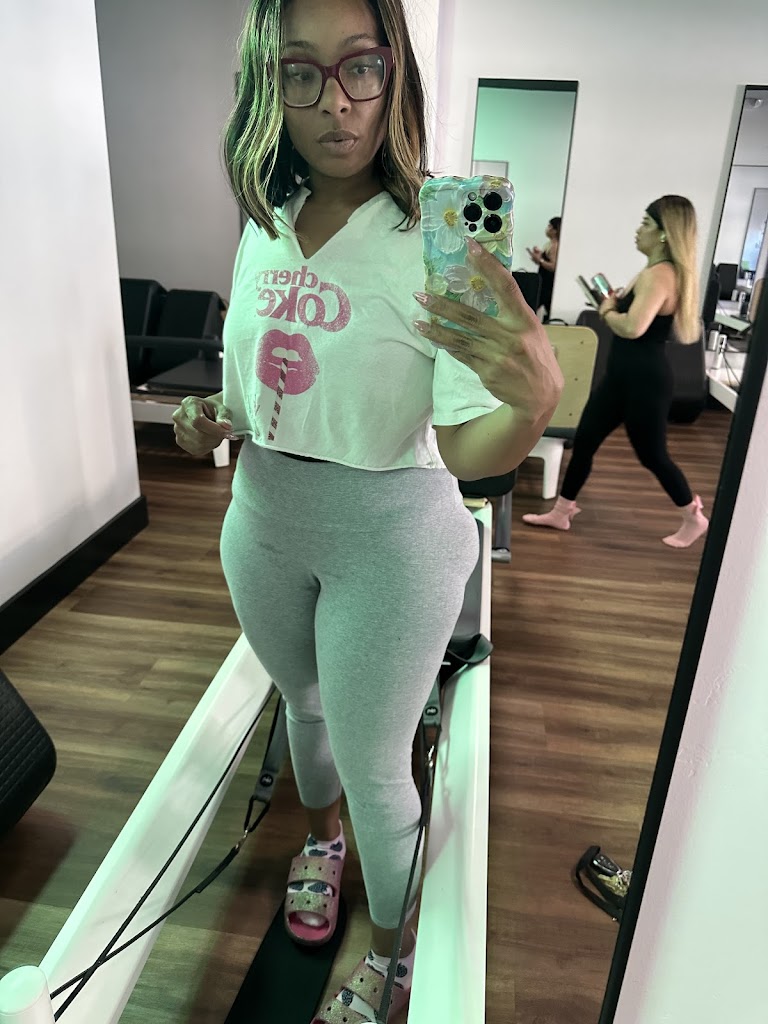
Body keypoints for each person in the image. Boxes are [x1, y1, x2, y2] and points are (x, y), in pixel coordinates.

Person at [172, 0, 562, 1021]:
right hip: (263, 518)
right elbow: (255, 394)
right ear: (271, 87)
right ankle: (321, 841)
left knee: (378, 760)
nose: (335, 103)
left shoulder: (450, 224)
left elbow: (469, 452)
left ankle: (390, 954)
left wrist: (531, 404)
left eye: (361, 66)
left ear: (396, 72)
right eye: (300, 73)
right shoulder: (266, 215)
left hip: (391, 535)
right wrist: (211, 421)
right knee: (301, 708)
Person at [522, 196, 710, 549]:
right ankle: (562, 512)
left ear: (665, 233)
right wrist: (617, 301)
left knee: (652, 455)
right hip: (621, 378)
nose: (638, 230)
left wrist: (607, 309)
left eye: (646, 224)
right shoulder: (655, 272)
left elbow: (632, 328)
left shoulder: (659, 275)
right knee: (585, 441)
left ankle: (693, 517)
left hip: (644, 382)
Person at [527, 216, 561, 321]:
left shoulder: (555, 246)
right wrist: (539, 256)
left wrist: (540, 260)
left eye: (550, 226)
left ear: (555, 230)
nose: (547, 228)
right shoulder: (549, 244)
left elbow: (553, 267)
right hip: (543, 281)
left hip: (547, 284)